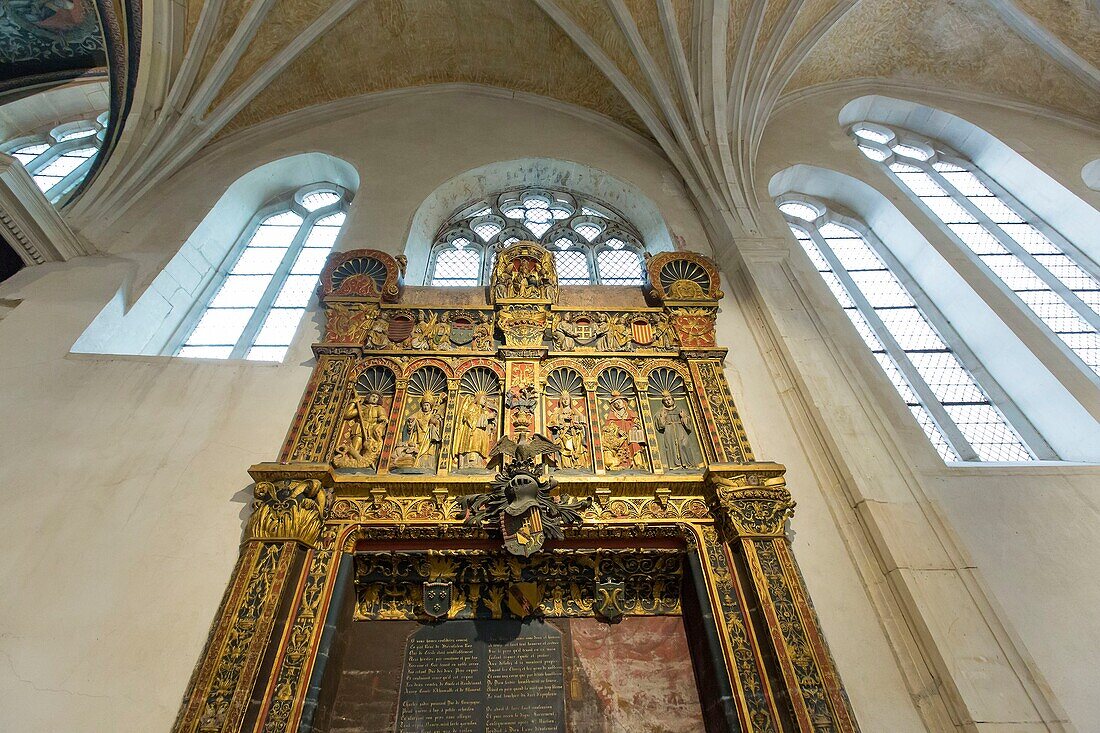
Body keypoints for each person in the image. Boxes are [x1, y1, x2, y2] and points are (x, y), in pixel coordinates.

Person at [602, 393, 647, 470]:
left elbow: (637, 422)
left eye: (619, 402)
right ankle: (620, 464)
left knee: (635, 445)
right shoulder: (612, 414)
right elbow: (609, 424)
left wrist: (635, 427)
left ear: (623, 402)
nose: (618, 404)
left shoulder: (630, 413)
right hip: (619, 436)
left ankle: (638, 463)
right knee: (619, 447)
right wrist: (618, 430)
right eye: (615, 404)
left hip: (631, 433)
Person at [654, 393, 699, 469]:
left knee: (685, 444)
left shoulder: (680, 410)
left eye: (669, 399)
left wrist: (683, 417)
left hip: (680, 429)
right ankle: (675, 465)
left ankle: (688, 463)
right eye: (666, 400)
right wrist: (663, 417)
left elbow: (688, 422)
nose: (668, 402)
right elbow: (660, 425)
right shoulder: (662, 411)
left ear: (673, 400)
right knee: (671, 446)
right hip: (669, 430)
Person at [547, 390, 589, 469]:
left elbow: (583, 422)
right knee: (565, 448)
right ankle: (566, 465)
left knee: (576, 447)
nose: (565, 401)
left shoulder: (574, 411)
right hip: (563, 434)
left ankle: (577, 463)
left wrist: (577, 425)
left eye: (567, 399)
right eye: (563, 399)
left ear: (570, 400)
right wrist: (561, 420)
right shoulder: (558, 412)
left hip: (574, 434)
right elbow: (552, 423)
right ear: (561, 401)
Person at [454, 392, 497, 469]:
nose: (485, 401)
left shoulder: (483, 410)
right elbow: (469, 417)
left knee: (479, 447)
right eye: (483, 399)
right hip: (472, 431)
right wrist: (486, 417)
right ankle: (469, 464)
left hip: (480, 432)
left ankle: (478, 463)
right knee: (473, 446)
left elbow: (487, 424)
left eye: (486, 399)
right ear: (478, 399)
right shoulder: (472, 406)